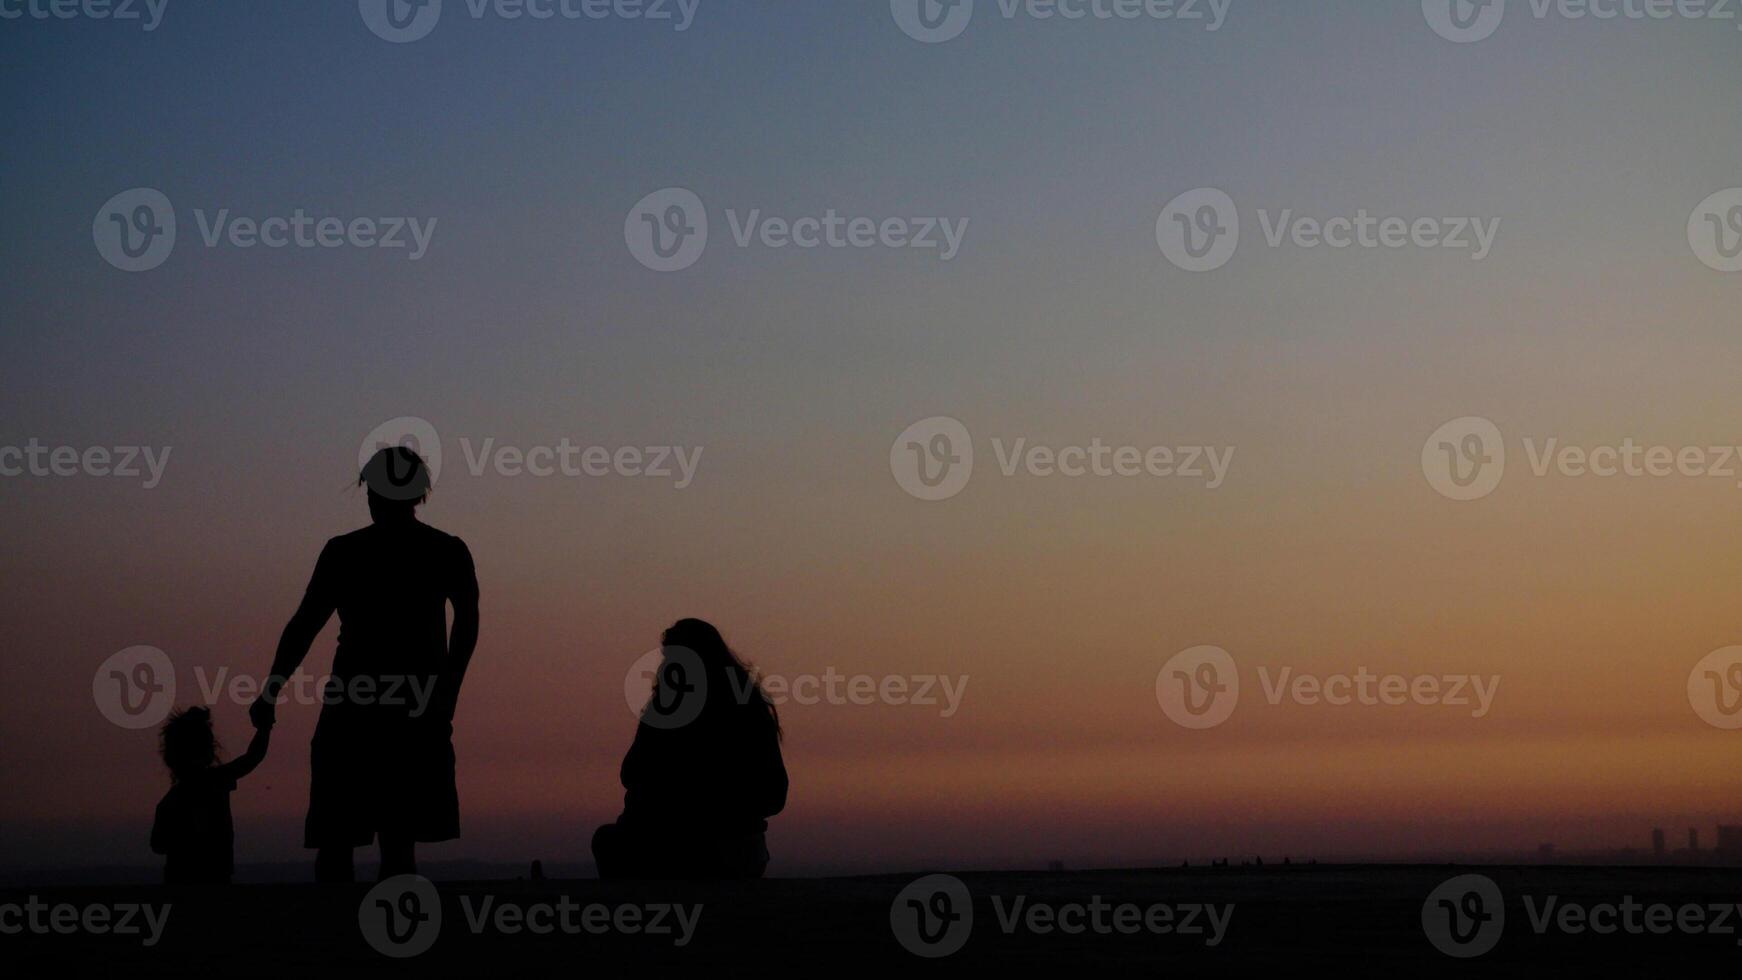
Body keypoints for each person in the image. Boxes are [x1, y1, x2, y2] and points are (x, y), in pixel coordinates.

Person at [250, 446, 479, 883]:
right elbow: (305, 624)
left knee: (362, 841)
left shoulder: (357, 552)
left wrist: (272, 690)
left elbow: (305, 624)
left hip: (374, 706)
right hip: (394, 705)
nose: (375, 500)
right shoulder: (437, 550)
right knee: (386, 842)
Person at [593, 619, 788, 879]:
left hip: (701, 853)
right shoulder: (750, 708)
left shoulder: (669, 711)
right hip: (743, 854)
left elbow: (632, 773)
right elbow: (775, 795)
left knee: (608, 841)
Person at [150, 706, 271, 885]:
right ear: (209, 750)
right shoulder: (216, 781)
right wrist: (265, 727)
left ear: (170, 757)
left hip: (181, 879)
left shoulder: (169, 803)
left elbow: (158, 845)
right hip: (215, 876)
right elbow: (252, 758)